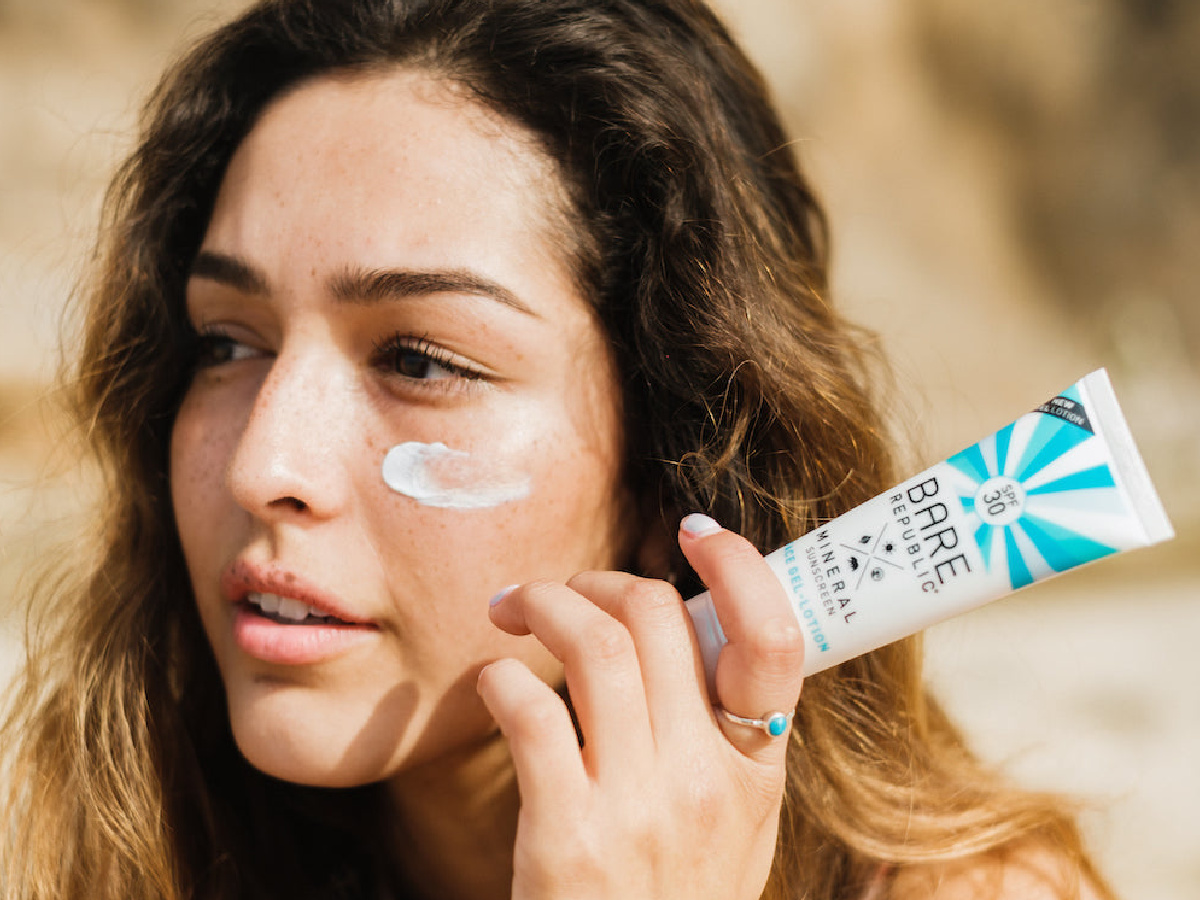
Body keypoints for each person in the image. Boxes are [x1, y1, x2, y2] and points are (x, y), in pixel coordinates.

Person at [0, 1, 1114, 898]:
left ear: (670, 463)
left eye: (421, 362)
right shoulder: (86, 846)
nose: (261, 466)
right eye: (225, 342)